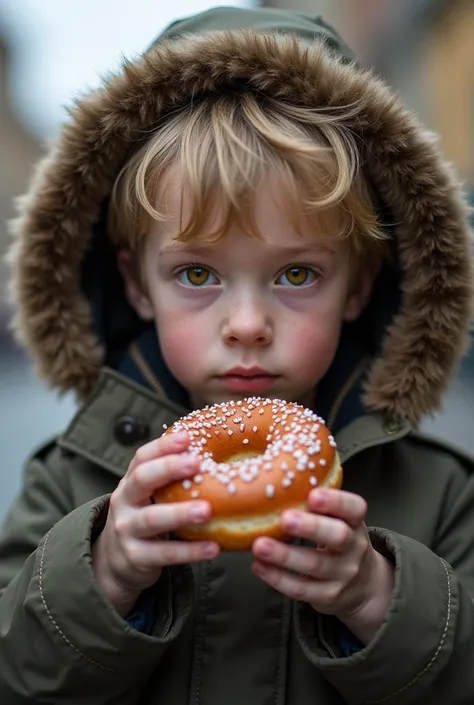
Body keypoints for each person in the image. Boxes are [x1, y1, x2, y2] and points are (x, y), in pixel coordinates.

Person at [1, 6, 474, 704]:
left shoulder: (438, 495)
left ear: (359, 286)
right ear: (136, 285)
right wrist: (99, 574)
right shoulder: (72, 484)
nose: (248, 324)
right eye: (197, 275)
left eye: (296, 274)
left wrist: (381, 600)